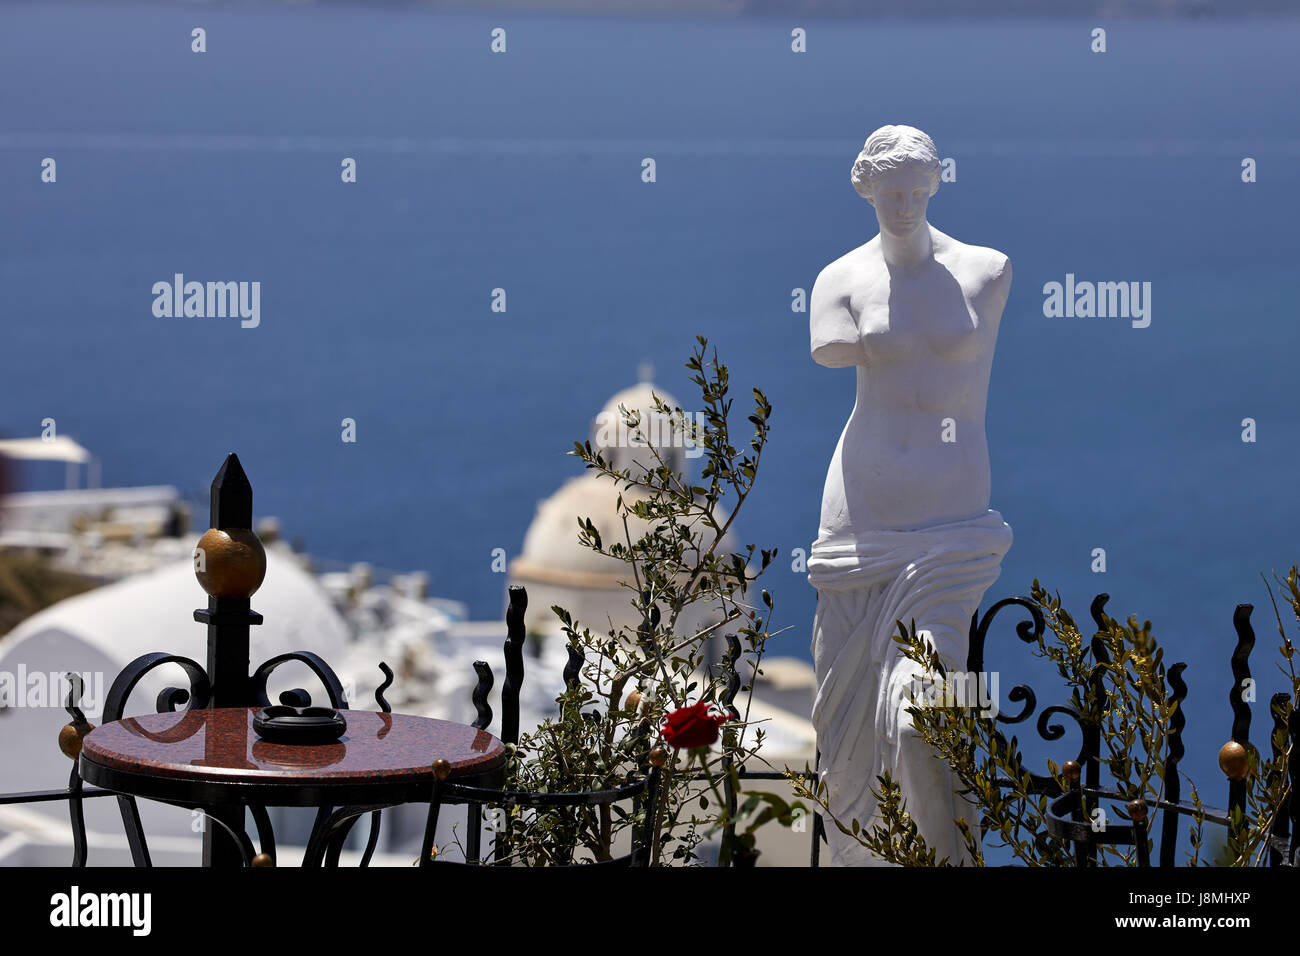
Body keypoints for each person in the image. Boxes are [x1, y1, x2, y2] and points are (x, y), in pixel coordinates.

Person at [807, 125, 1014, 866]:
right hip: (860, 512)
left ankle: (948, 860)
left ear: (934, 187)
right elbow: (831, 350)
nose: (902, 205)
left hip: (951, 522)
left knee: (926, 713)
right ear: (865, 187)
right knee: (848, 721)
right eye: (889, 191)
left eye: (917, 192)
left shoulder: (987, 270)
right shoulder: (838, 283)